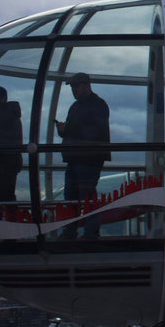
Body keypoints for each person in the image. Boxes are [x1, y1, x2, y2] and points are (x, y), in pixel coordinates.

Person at [55, 72, 110, 238]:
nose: (74, 90)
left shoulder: (97, 105)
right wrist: (64, 131)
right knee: (72, 196)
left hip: (88, 158)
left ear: (87, 85)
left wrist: (67, 130)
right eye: (72, 86)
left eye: (76, 86)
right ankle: (75, 231)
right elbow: (87, 130)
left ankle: (88, 232)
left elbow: (93, 132)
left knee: (85, 196)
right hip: (77, 157)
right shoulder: (81, 106)